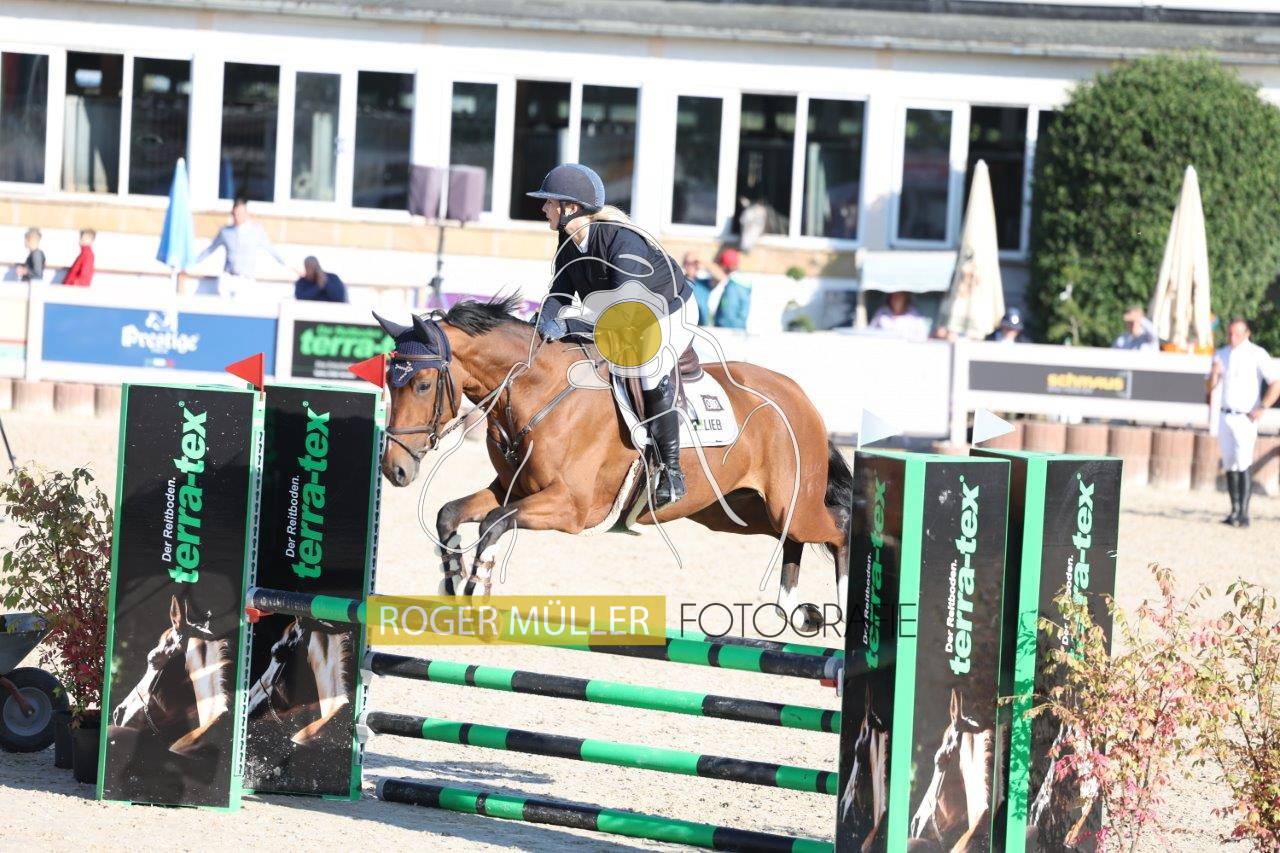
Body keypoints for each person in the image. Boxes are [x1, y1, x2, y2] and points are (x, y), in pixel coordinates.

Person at [529, 163, 694, 509]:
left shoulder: (621, 241)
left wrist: (569, 326)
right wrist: (541, 325)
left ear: (570, 207)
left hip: (667, 310)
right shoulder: (569, 241)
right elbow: (559, 293)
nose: (544, 208)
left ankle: (672, 472)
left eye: (550, 202)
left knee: (648, 370)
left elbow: (623, 318)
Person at [1207, 317, 1280, 528]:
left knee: (1243, 461)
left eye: (1237, 334)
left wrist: (1263, 406)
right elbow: (1209, 388)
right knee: (1229, 462)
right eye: (1230, 333)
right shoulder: (1221, 354)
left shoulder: (1257, 354)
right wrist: (1214, 373)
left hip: (1245, 416)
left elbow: (1275, 382)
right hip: (1224, 415)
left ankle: (1244, 513)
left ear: (1247, 333)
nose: (1233, 338)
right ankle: (1234, 510)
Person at [188, 198, 294, 298]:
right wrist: (190, 263)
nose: (238, 217)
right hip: (228, 278)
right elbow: (209, 250)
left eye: (241, 213)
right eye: (236, 214)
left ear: (247, 214)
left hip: (245, 279)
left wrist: (291, 267)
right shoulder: (226, 232)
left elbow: (272, 251)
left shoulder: (256, 231)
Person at [711, 248, 751, 330]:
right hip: (738, 331)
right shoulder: (742, 285)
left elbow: (727, 317)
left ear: (724, 266)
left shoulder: (732, 288)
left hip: (728, 333)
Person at [683, 252, 721, 326]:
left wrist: (701, 261)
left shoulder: (704, 284)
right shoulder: (678, 283)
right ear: (684, 264)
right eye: (688, 263)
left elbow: (720, 277)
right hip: (685, 325)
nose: (691, 266)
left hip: (702, 326)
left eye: (694, 263)